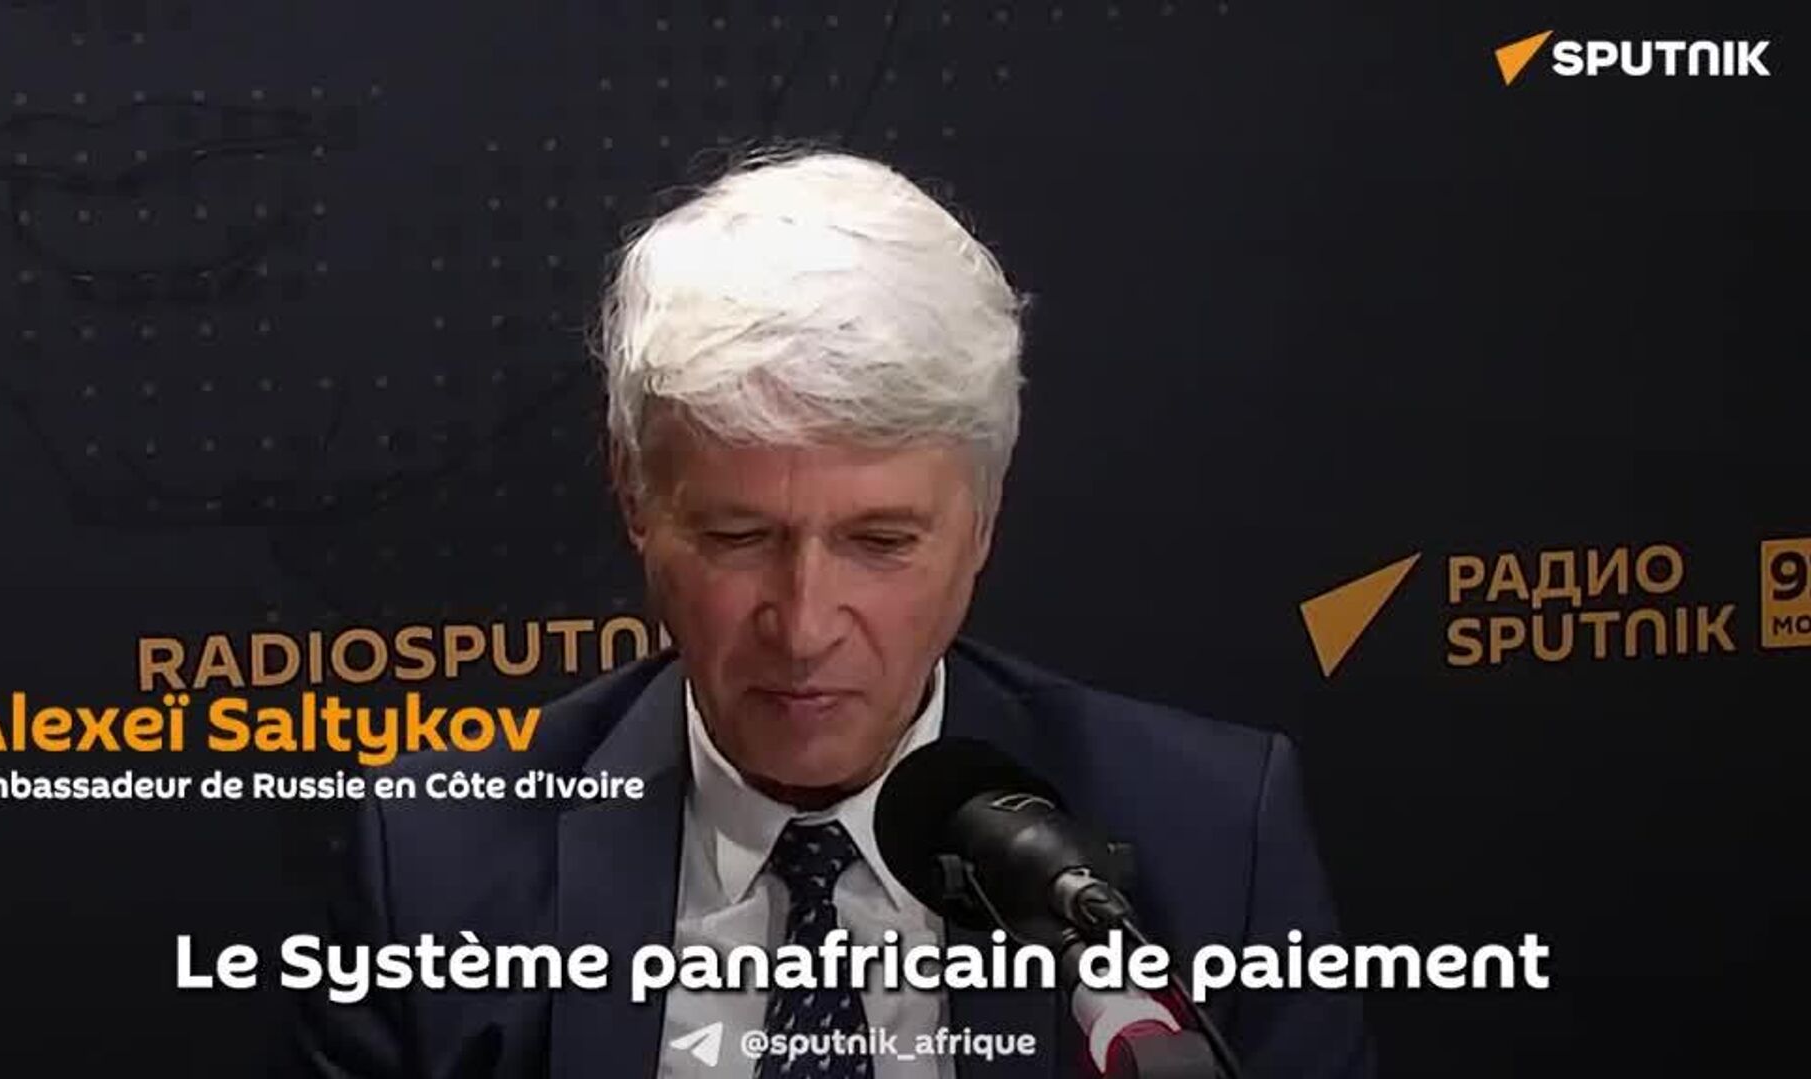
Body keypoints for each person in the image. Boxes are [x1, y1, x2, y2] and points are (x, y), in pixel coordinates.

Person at [277, 144, 1375, 1078]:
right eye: (739, 537)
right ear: (637, 501)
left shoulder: (1208, 839)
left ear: (983, 519)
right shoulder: (437, 867)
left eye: (880, 542)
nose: (804, 627)